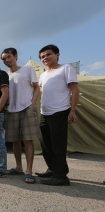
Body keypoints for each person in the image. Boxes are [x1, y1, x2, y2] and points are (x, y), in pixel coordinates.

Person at [36, 44, 80, 186]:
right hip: (45, 112)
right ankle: (53, 169)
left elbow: (75, 90)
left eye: (48, 54)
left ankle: (61, 177)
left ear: (57, 54)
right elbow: (42, 89)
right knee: (45, 145)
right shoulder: (43, 75)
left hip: (60, 111)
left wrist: (72, 111)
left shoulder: (65, 69)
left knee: (58, 145)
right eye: (42, 56)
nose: (45, 58)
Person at [1, 48, 41, 183]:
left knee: (28, 140)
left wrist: (33, 102)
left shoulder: (28, 69)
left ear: (15, 56)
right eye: (4, 59)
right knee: (15, 141)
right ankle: (19, 167)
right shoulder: (5, 75)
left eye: (8, 57)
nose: (6, 60)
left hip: (26, 108)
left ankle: (29, 171)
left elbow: (37, 87)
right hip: (11, 110)